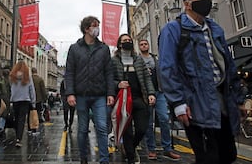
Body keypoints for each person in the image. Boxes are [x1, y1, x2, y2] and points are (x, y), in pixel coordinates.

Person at [158, 0, 246, 164]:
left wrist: (239, 99)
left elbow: (228, 65)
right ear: (187, 4)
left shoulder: (215, 29)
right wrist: (178, 103)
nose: (205, 2)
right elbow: (167, 67)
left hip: (221, 99)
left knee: (228, 154)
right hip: (194, 102)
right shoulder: (173, 30)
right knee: (207, 156)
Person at [64, 16, 115, 164]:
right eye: (94, 26)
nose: (97, 28)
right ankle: (83, 158)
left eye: (98, 26)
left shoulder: (104, 48)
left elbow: (109, 72)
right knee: (82, 129)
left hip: (99, 95)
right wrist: (70, 93)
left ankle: (104, 160)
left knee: (102, 127)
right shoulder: (74, 48)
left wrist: (110, 93)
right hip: (81, 95)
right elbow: (70, 72)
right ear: (86, 29)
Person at [111, 34, 156, 164]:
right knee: (127, 131)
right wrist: (118, 84)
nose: (128, 42)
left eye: (129, 40)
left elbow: (147, 78)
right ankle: (130, 158)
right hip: (123, 99)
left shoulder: (138, 59)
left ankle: (130, 147)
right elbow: (109, 79)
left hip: (138, 98)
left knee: (142, 128)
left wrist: (151, 93)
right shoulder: (114, 61)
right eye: (125, 41)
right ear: (119, 44)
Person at [138, 39, 181, 161]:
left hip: (159, 92)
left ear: (148, 45)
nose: (144, 46)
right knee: (148, 123)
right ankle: (151, 150)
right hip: (145, 94)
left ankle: (167, 148)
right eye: (141, 44)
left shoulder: (155, 58)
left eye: (145, 44)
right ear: (139, 47)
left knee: (164, 119)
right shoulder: (137, 60)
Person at [9, 60, 36, 147]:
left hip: (15, 100)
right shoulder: (27, 77)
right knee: (22, 119)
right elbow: (32, 90)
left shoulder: (12, 76)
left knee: (16, 118)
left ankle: (17, 135)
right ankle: (18, 139)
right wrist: (33, 102)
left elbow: (10, 88)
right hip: (25, 99)